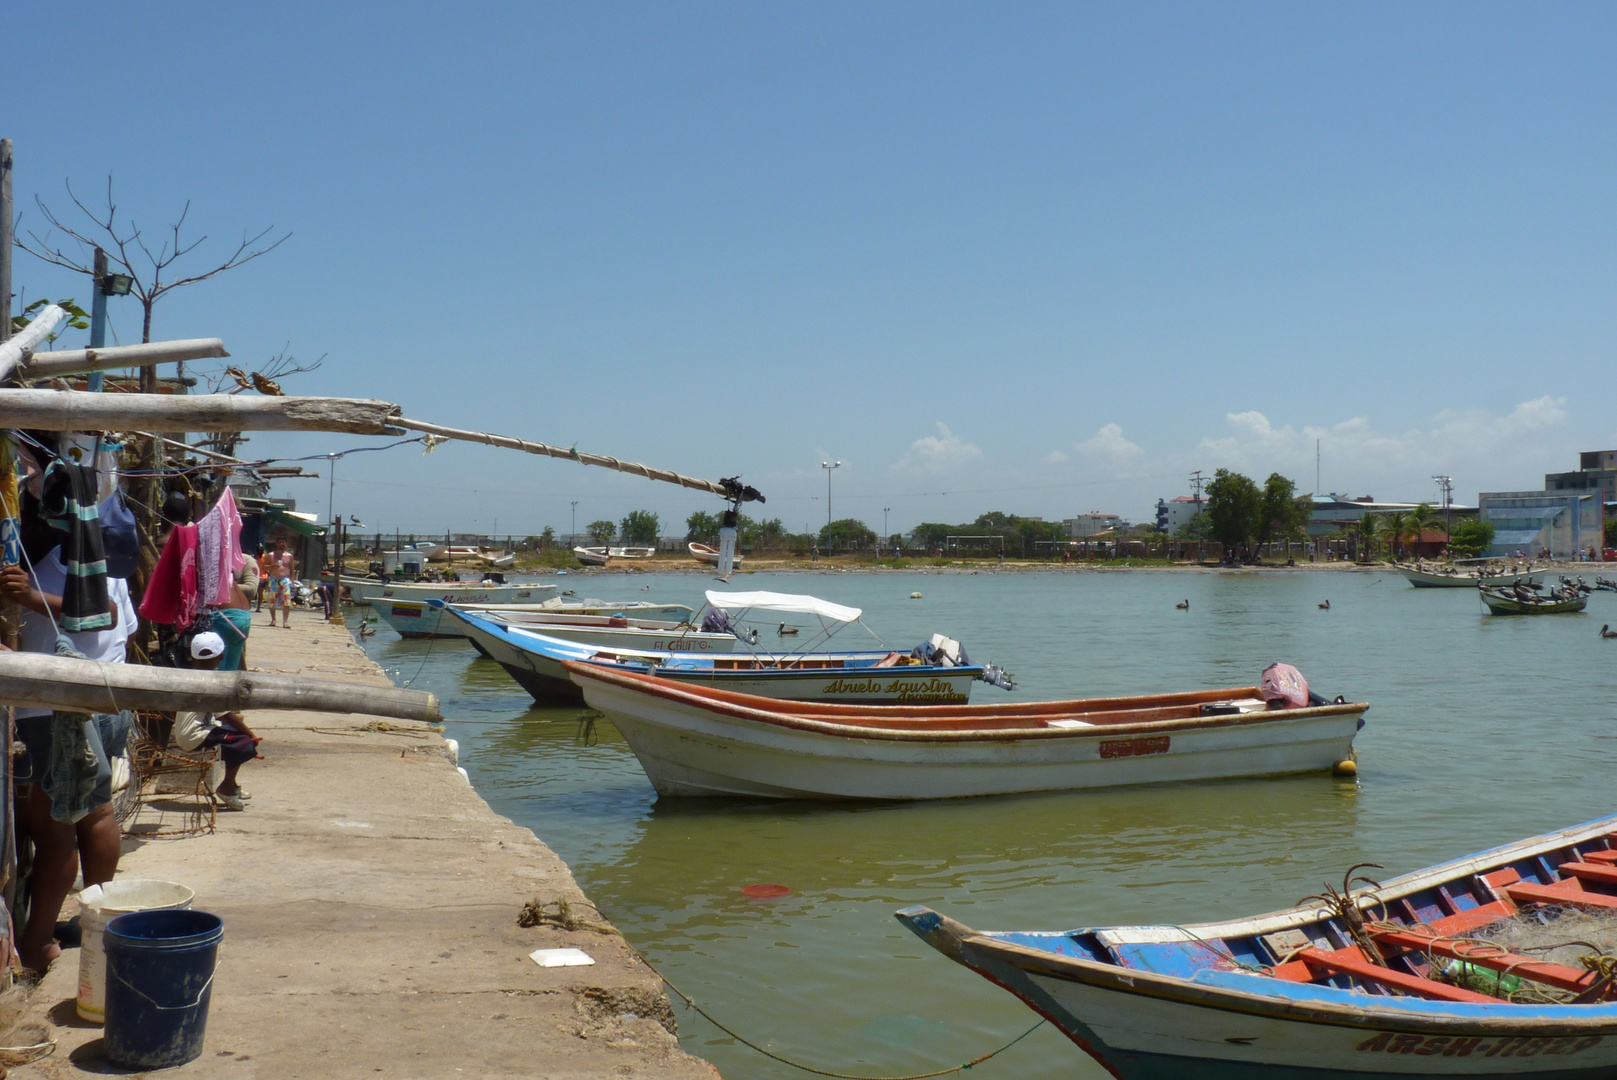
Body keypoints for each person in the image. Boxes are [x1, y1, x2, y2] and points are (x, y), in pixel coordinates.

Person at [0, 476, 135, 973]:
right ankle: (98, 922)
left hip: (51, 713)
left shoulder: (59, 566)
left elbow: (100, 615)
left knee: (58, 828)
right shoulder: (102, 559)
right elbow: (123, 628)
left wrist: (31, 599)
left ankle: (37, 942)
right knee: (93, 817)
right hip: (96, 705)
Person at [173, 632, 261, 811]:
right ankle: (226, 788)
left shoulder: (192, 675)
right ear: (221, 656)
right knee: (244, 743)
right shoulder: (213, 682)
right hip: (195, 734)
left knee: (232, 736)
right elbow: (227, 716)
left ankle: (233, 784)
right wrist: (251, 735)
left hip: (190, 730)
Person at [266, 537, 296, 627]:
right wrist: (272, 566)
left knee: (287, 601)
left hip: (285, 580)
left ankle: (285, 622)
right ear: (276, 544)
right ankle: (273, 620)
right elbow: (264, 567)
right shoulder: (271, 555)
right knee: (272, 601)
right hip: (274, 579)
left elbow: (292, 569)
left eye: (283, 542)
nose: (281, 544)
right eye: (280, 542)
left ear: (286, 544)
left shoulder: (289, 556)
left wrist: (293, 581)